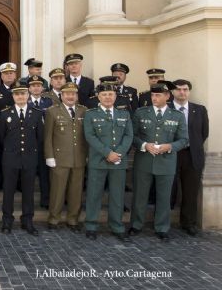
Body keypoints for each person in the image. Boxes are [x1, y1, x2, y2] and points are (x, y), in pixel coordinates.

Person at [129, 80, 188, 241]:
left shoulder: (177, 116)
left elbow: (184, 140)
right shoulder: (141, 112)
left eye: (158, 95)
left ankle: (162, 227)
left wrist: (169, 146)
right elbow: (132, 136)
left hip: (166, 161)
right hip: (144, 161)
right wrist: (144, 145)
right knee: (140, 196)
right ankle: (136, 224)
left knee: (164, 197)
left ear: (167, 96)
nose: (154, 98)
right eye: (153, 95)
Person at [83, 82, 133, 242]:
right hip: (98, 160)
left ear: (115, 96)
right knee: (94, 194)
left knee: (117, 195)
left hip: (118, 161)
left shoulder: (124, 114)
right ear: (98, 96)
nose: (107, 97)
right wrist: (107, 153)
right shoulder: (90, 114)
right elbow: (90, 136)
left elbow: (128, 136)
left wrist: (118, 153)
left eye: (110, 94)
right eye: (104, 94)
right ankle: (91, 225)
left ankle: (117, 226)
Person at [0, 84, 44, 235]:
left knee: (28, 192)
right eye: (17, 94)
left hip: (29, 158)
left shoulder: (37, 113)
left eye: (23, 94)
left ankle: (27, 221)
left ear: (28, 95)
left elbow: (40, 137)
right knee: (8, 191)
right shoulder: (5, 114)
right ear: (13, 97)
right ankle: (7, 221)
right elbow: (1, 137)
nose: (20, 97)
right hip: (10, 158)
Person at [44, 82, 87, 232]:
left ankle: (73, 219)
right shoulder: (52, 111)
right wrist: (49, 156)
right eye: (67, 94)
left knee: (76, 191)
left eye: (73, 94)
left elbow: (86, 136)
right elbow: (48, 136)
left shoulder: (84, 111)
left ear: (77, 96)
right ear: (61, 96)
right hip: (59, 158)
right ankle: (54, 219)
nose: (70, 96)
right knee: (58, 190)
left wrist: (87, 155)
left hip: (79, 158)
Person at [170, 79, 209, 236]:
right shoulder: (166, 108)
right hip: (170, 153)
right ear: (172, 92)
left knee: (191, 191)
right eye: (178, 89)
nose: (182, 92)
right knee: (167, 188)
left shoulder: (199, 110)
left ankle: (188, 222)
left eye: (185, 89)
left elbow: (204, 133)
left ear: (189, 91)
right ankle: (163, 222)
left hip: (192, 155)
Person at [0, 62, 19, 192]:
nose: (9, 75)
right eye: (6, 74)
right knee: (0, 156)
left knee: (17, 157)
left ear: (15, 75)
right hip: (0, 129)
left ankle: (18, 184)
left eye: (11, 73)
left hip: (17, 129)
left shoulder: (20, 89)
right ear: (1, 76)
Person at [28, 75, 53, 209]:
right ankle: (28, 201)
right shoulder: (24, 102)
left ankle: (45, 200)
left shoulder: (48, 102)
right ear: (29, 88)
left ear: (42, 88)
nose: (36, 88)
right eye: (33, 85)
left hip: (44, 142)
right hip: (29, 142)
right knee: (29, 174)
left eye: (38, 85)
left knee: (44, 174)